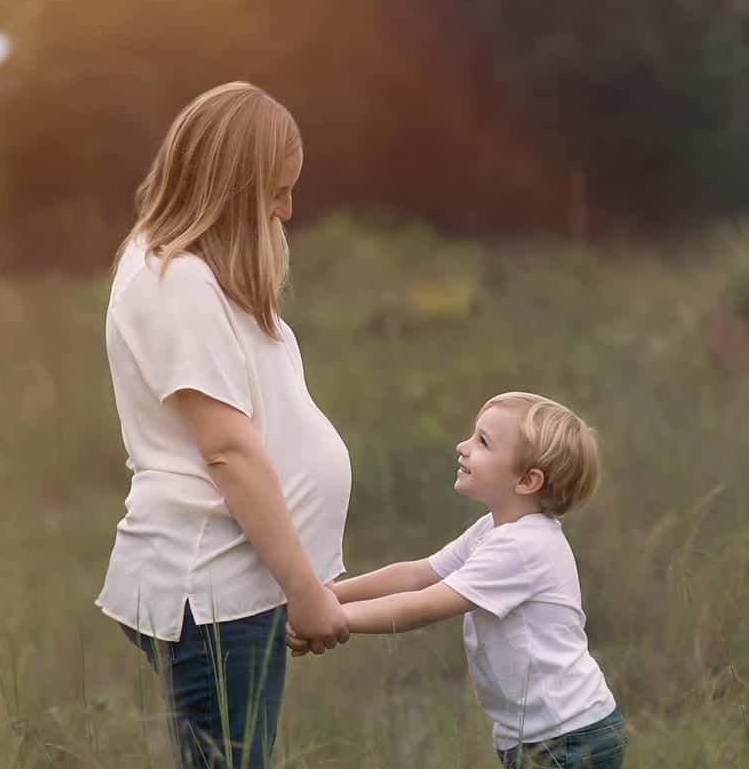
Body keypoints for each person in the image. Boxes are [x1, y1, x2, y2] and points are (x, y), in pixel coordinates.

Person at [96, 82, 352, 768]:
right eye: (275, 189)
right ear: (232, 184)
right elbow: (229, 452)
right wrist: (304, 591)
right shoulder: (172, 280)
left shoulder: (200, 276)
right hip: (212, 592)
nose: (287, 210)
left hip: (235, 590)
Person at [288, 391, 628, 768]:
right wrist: (326, 595)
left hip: (570, 739)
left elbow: (424, 606)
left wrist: (330, 618)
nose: (463, 447)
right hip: (536, 738)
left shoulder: (523, 547)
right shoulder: (494, 530)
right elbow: (417, 575)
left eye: (482, 442)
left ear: (528, 480)